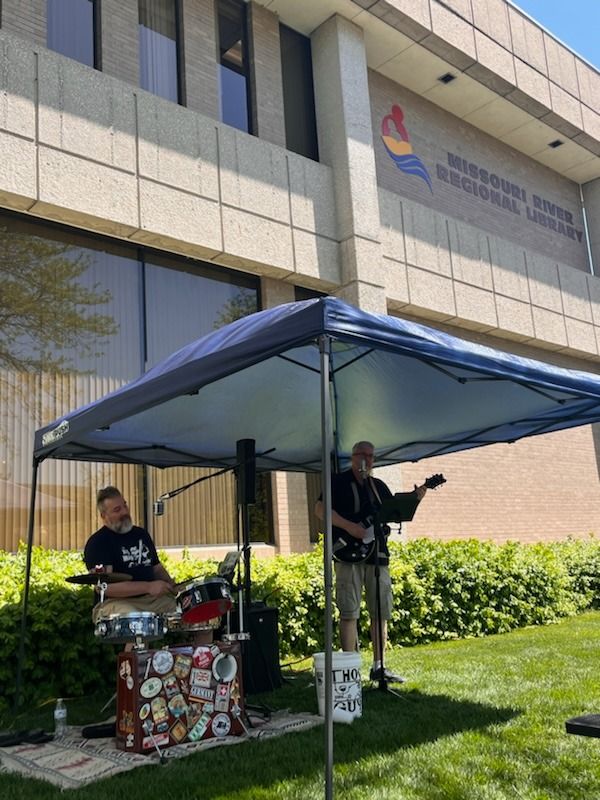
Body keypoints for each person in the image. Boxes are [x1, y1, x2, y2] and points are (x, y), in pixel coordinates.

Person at [315, 441, 427, 683]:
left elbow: (395, 513)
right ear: (353, 457)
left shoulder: (378, 486)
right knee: (349, 610)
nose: (366, 459)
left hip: (378, 555)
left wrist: (415, 498)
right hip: (347, 554)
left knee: (380, 610)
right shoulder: (338, 482)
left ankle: (379, 665)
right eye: (361, 454)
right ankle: (350, 669)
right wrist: (350, 527)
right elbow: (320, 509)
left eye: (370, 455)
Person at [84, 486, 177, 623]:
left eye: (125, 506)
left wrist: (173, 586)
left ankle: (202, 645)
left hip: (150, 600)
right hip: (114, 603)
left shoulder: (141, 534)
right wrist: (149, 587)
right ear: (104, 516)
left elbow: (156, 568)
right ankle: (135, 645)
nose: (125, 512)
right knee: (137, 619)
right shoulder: (98, 542)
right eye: (117, 510)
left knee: (193, 610)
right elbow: (106, 587)